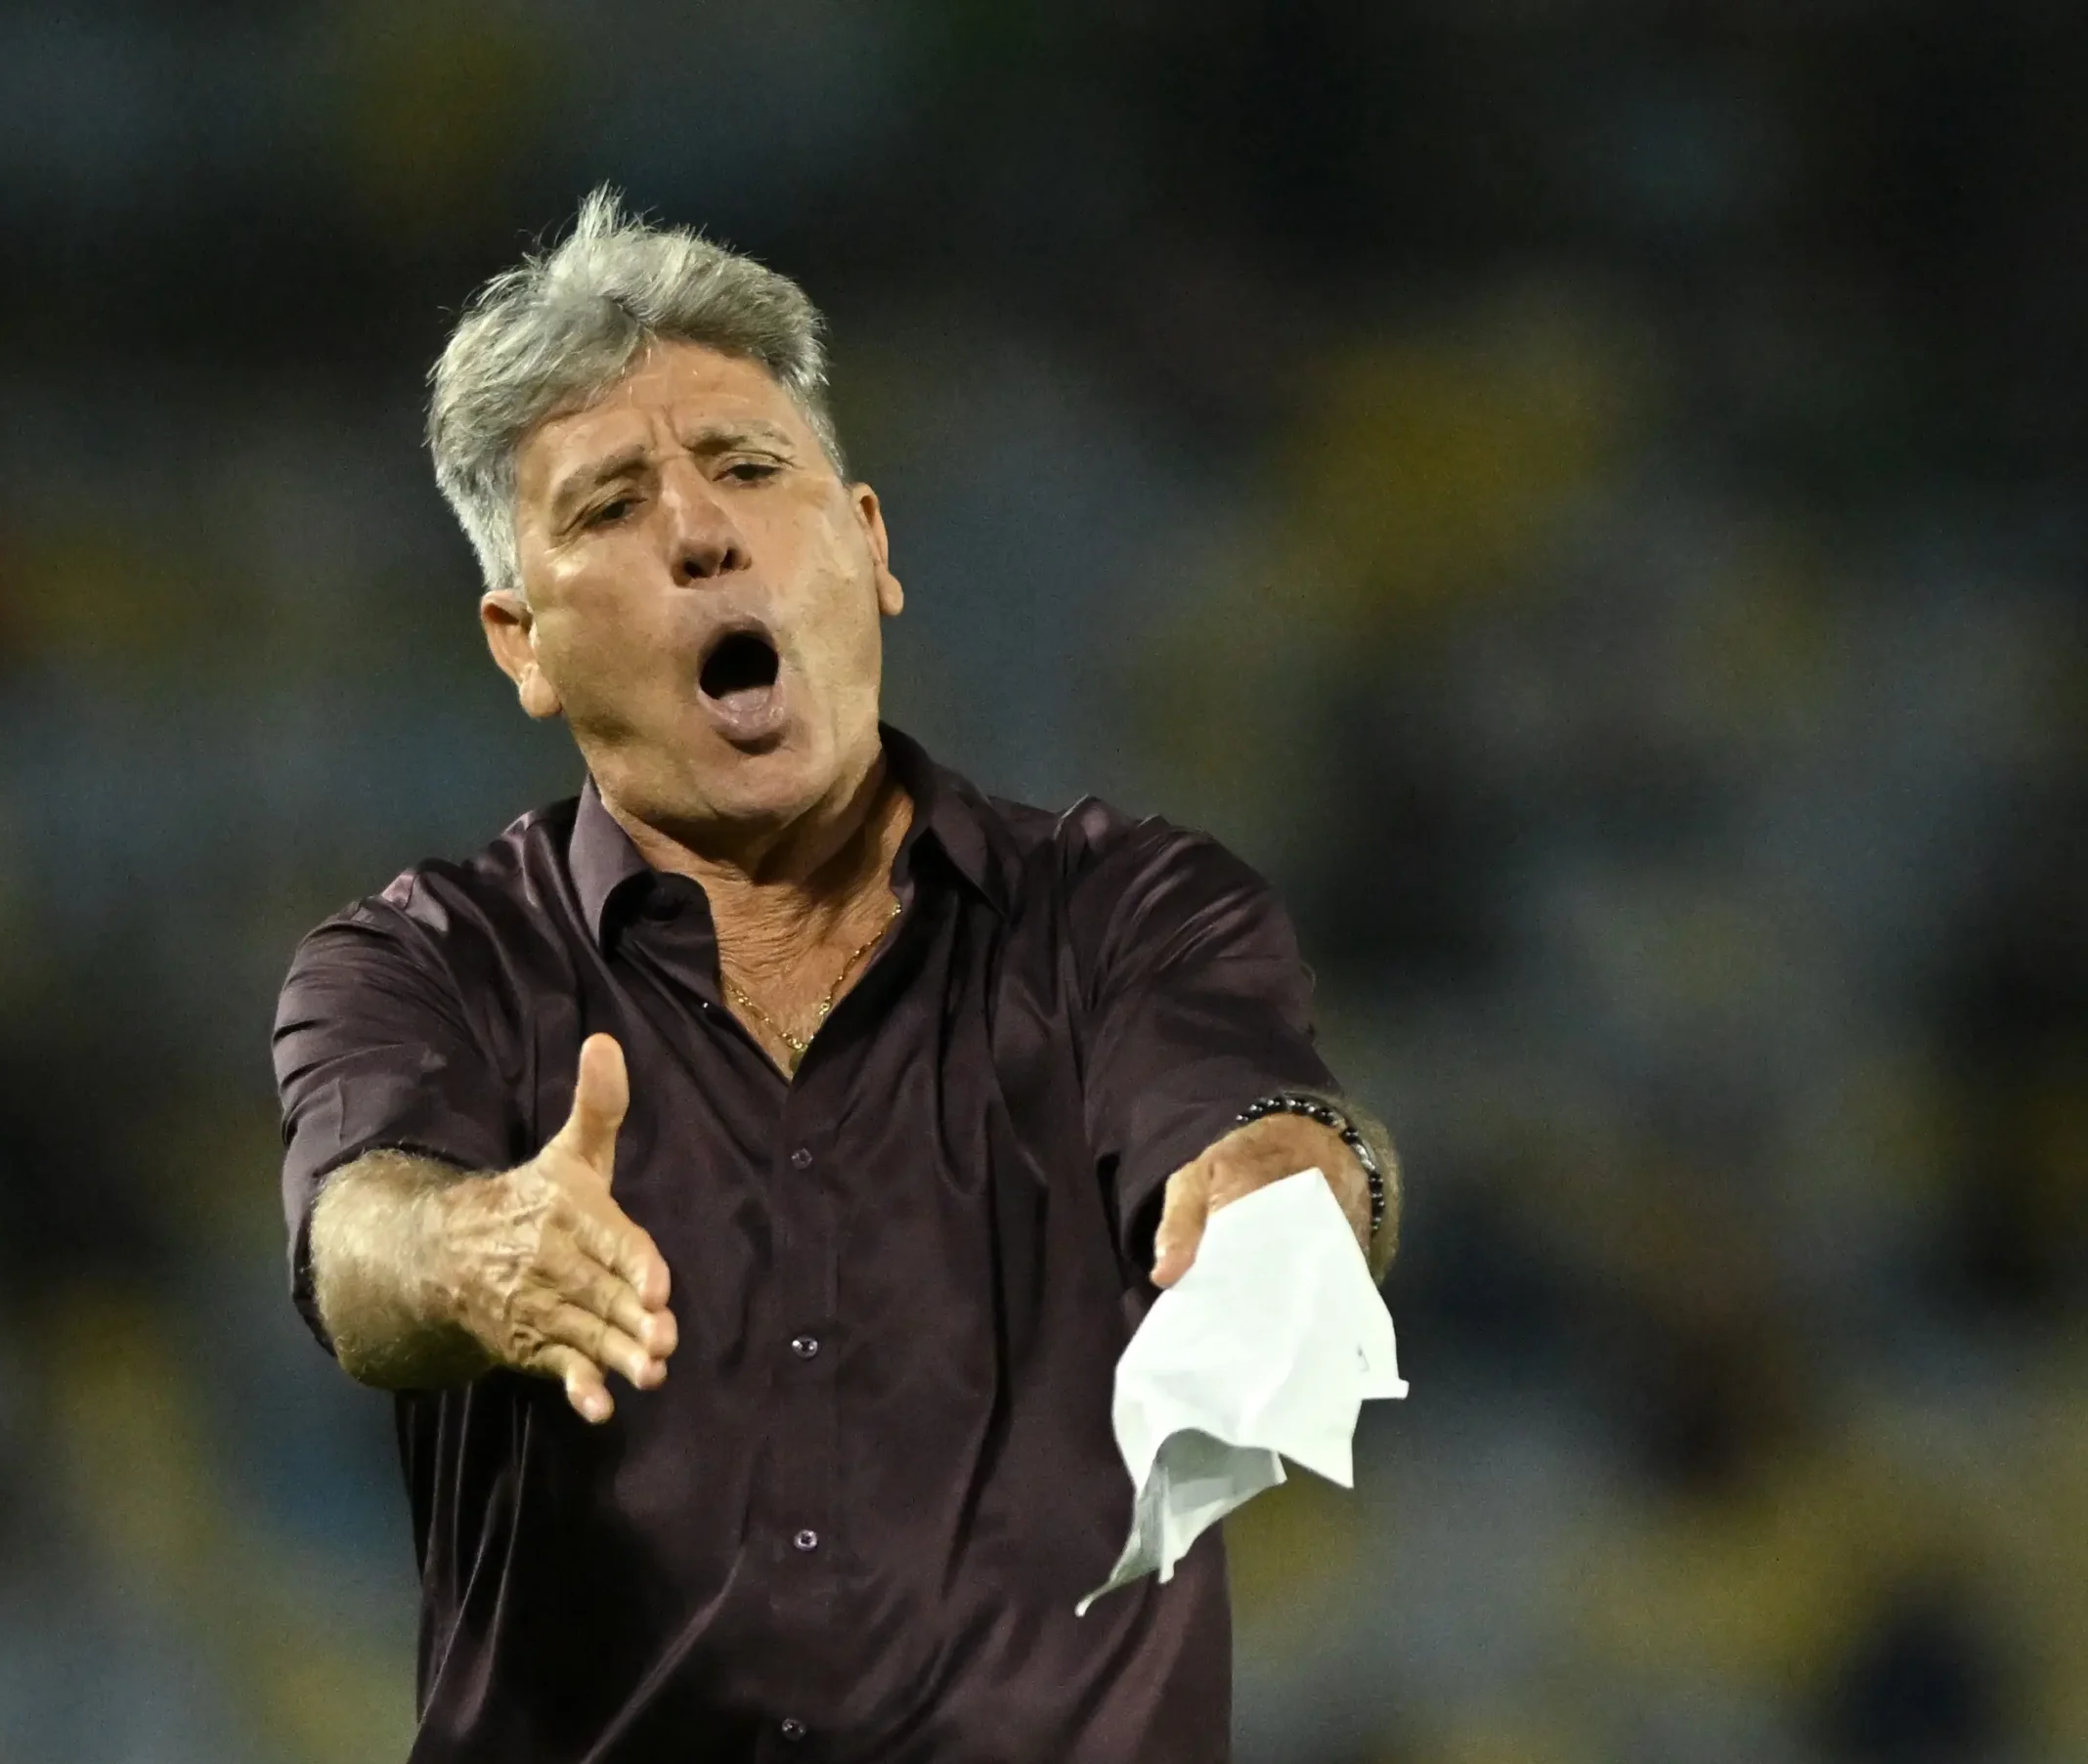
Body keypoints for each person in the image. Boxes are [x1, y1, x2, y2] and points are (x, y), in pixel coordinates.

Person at [271, 191, 1403, 1764]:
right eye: (611, 506)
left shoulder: (1126, 913)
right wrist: (473, 1251)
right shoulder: (423, 964)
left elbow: (1264, 1120)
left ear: (869, 545)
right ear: (520, 642)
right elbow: (359, 1244)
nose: (701, 531)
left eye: (749, 467)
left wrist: (1288, 1179)